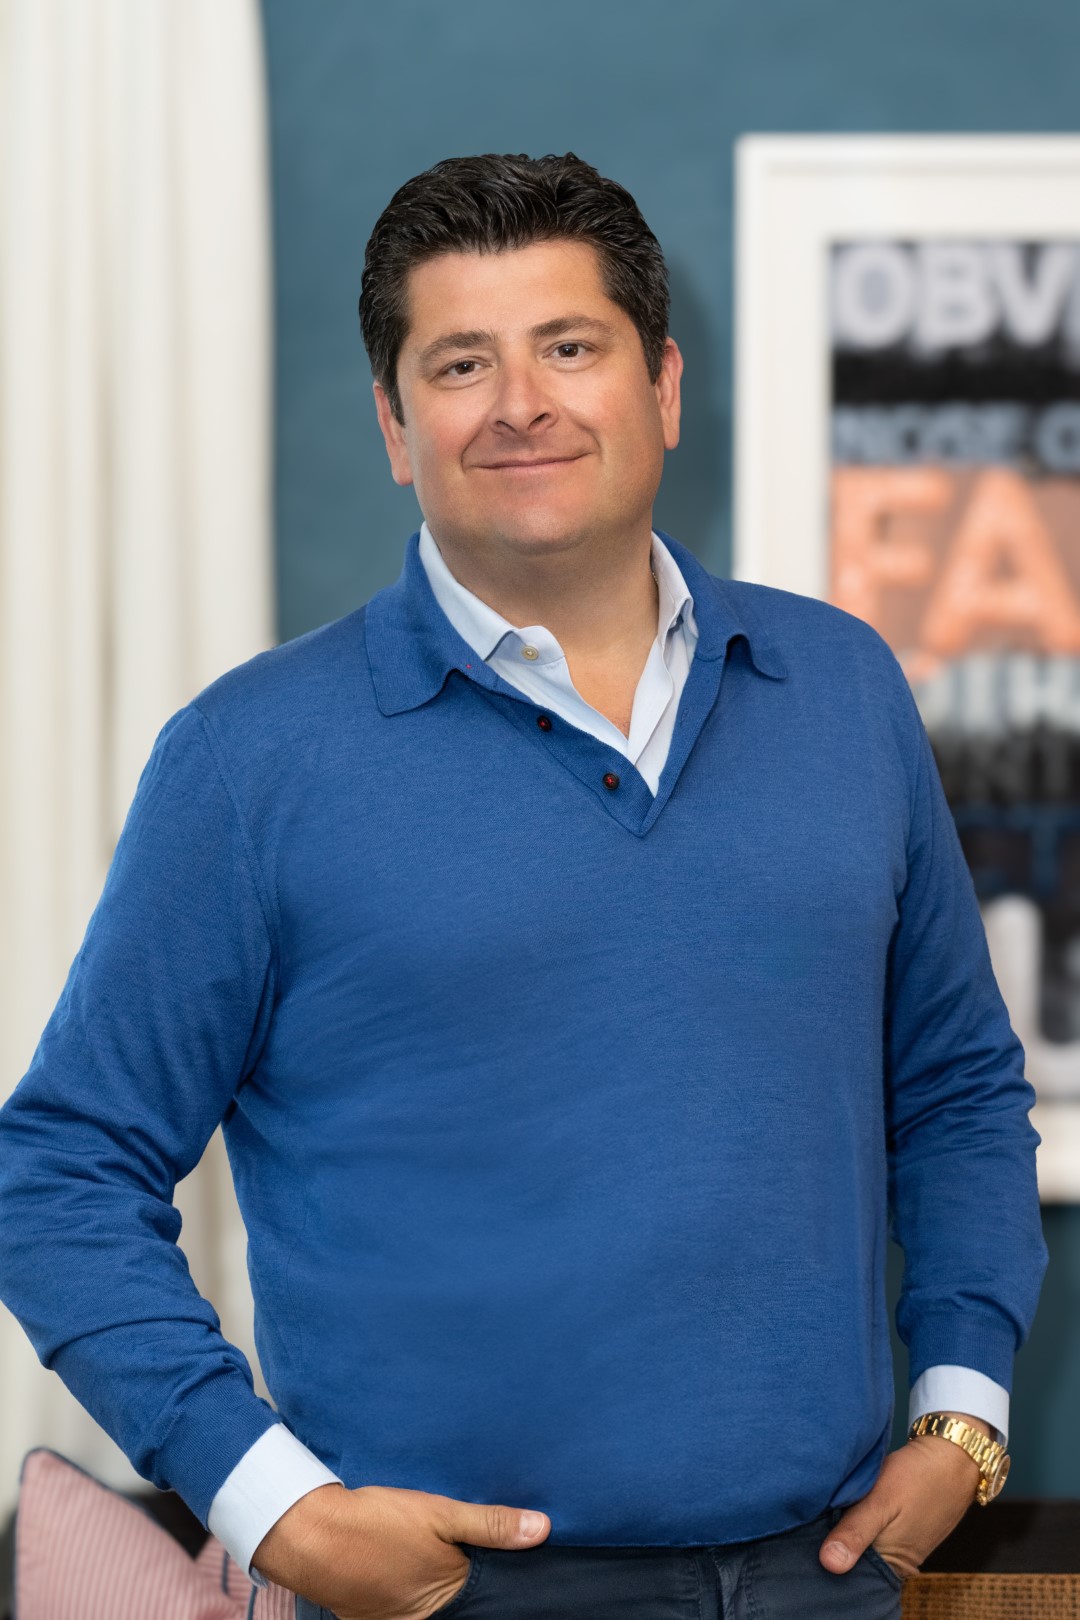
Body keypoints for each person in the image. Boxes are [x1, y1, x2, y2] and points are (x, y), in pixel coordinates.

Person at [0, 152, 1048, 1620]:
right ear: (394, 424)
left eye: (569, 347)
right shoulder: (248, 762)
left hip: (822, 1578)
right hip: (453, 1598)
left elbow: (955, 1088)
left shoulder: (844, 690)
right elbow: (58, 1172)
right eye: (460, 364)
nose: (520, 404)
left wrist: (961, 1415)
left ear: (663, 387)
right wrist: (273, 1506)